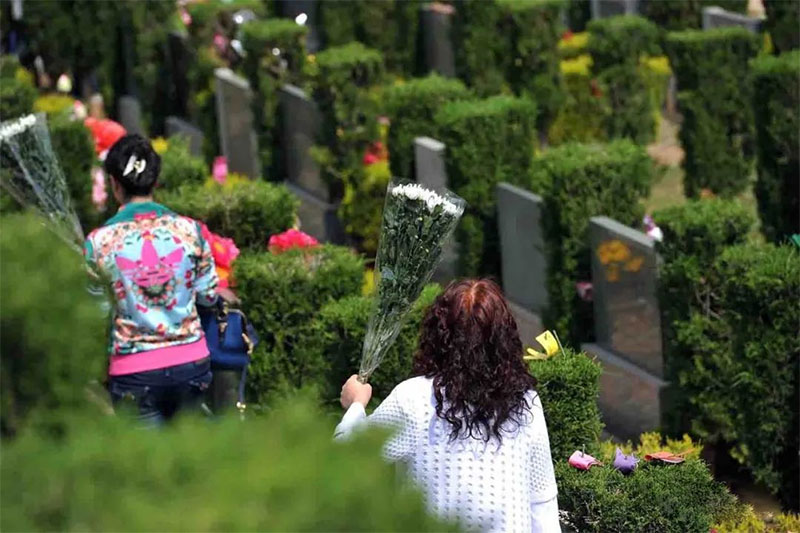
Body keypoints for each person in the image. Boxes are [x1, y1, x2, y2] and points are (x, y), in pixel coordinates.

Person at [335, 279, 560, 533]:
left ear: (438, 335)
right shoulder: (525, 402)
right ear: (505, 339)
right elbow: (542, 505)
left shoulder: (414, 399)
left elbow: (345, 459)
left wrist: (356, 404)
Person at [84, 134, 231, 424]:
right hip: (191, 363)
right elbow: (208, 295)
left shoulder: (99, 243)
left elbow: (96, 314)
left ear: (114, 184)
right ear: (155, 181)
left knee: (148, 466)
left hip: (133, 372)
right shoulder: (190, 231)